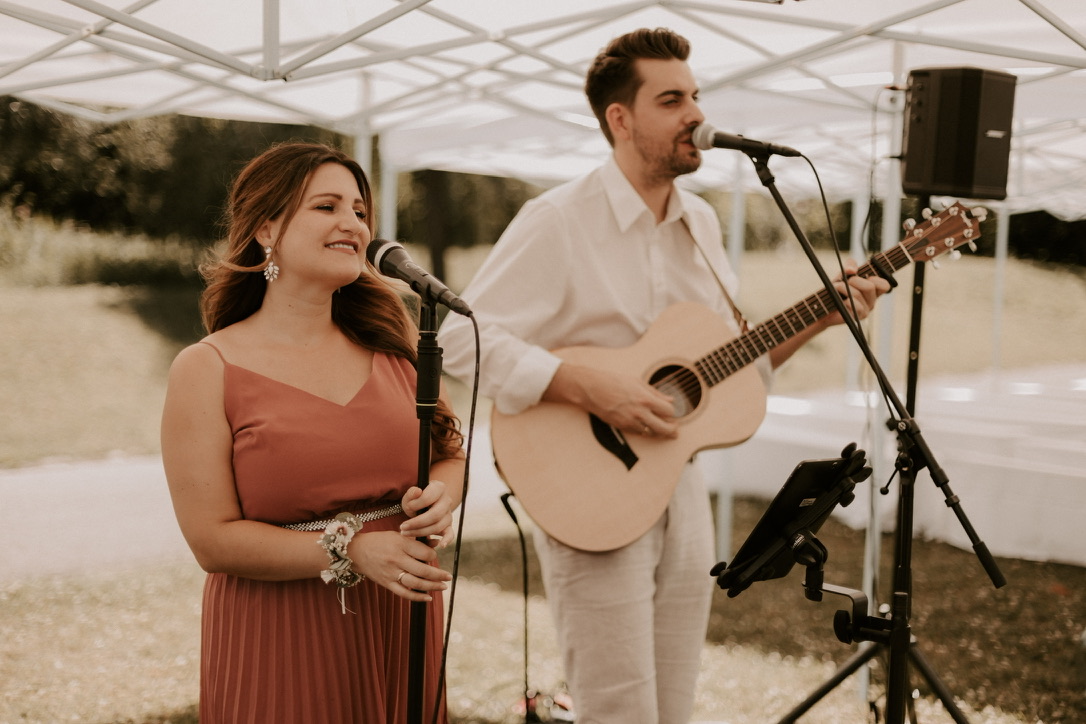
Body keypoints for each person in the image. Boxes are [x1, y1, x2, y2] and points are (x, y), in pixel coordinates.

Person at [437, 28, 890, 724]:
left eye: (696, 96)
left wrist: (820, 318)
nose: (696, 116)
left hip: (678, 482)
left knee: (673, 702)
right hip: (589, 486)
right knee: (617, 706)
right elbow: (461, 339)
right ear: (620, 119)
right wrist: (590, 387)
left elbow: (728, 368)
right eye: (672, 99)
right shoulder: (558, 219)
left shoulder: (700, 225)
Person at [160, 141, 465, 723]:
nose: (352, 223)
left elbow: (449, 453)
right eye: (326, 207)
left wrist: (443, 494)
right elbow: (211, 540)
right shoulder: (207, 368)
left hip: (400, 615)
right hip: (281, 628)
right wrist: (349, 547)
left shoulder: (397, 345)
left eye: (358, 209)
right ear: (267, 228)